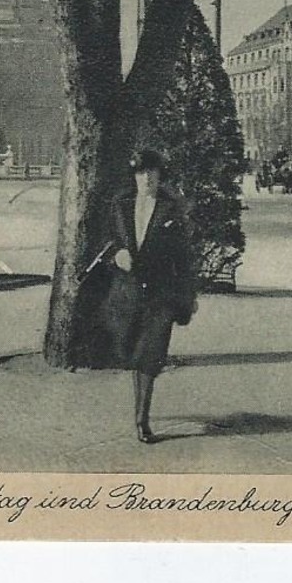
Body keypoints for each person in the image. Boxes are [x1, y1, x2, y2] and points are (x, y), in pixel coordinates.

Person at [87, 149, 200, 445]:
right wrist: (117, 255)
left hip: (161, 293)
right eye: (140, 173)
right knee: (129, 351)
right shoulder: (120, 205)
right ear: (134, 176)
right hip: (128, 292)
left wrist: (189, 294)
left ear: (160, 176)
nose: (146, 179)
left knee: (150, 356)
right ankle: (140, 407)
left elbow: (185, 256)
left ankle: (142, 420)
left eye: (152, 173)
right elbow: (105, 240)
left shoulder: (171, 208)